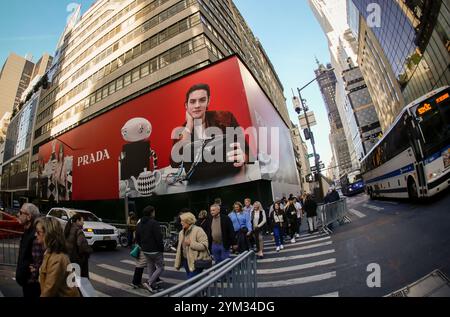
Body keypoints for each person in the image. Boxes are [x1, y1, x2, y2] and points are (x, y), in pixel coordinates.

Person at [170, 83, 249, 182]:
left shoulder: (226, 118)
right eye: (193, 102)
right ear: (186, 105)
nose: (197, 105)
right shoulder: (182, 131)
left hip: (230, 178)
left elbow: (247, 152)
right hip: (199, 184)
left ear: (208, 101)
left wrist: (243, 157)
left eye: (202, 100)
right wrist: (189, 127)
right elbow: (175, 162)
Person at [35, 217, 80, 297]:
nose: (35, 234)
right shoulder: (49, 252)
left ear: (48, 234)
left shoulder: (57, 258)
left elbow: (49, 291)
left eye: (38, 232)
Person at [16, 203, 44, 297]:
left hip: (32, 286)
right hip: (27, 283)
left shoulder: (36, 236)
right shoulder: (27, 231)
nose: (18, 214)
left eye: (20, 212)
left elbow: (38, 263)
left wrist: (29, 279)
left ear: (29, 217)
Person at [135, 206, 164, 293]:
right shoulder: (154, 223)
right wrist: (161, 248)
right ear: (151, 212)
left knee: (150, 267)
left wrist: (142, 246)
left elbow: (137, 237)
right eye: (154, 212)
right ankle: (149, 282)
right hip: (155, 250)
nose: (154, 213)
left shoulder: (139, 224)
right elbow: (159, 237)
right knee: (161, 268)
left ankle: (152, 286)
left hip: (145, 250)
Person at [174, 212, 210, 279]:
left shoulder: (198, 230)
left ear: (189, 221)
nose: (181, 222)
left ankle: (202, 286)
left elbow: (204, 245)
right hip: (186, 260)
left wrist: (191, 244)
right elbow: (180, 248)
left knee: (191, 280)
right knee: (192, 279)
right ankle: (202, 287)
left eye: (183, 221)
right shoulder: (181, 233)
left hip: (196, 260)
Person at [64, 213, 92, 278]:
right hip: (77, 260)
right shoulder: (79, 231)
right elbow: (82, 246)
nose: (83, 223)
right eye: (82, 221)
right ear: (77, 221)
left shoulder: (68, 228)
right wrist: (89, 250)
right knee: (80, 280)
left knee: (71, 280)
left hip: (69, 258)